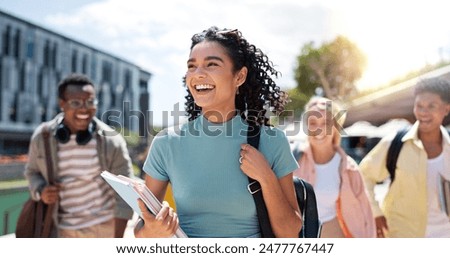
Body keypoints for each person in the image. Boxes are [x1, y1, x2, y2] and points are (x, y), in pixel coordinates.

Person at [135, 26, 302, 238]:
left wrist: (266, 178)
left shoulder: (272, 141)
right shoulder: (167, 143)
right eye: (191, 66)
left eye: (212, 64)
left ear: (239, 77)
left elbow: (289, 233)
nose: (198, 74)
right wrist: (152, 230)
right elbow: (141, 232)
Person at [24, 73, 134, 238]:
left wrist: (116, 242)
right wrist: (41, 190)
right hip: (59, 230)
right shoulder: (42, 137)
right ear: (62, 104)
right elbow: (32, 172)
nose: (84, 108)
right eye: (76, 102)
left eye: (90, 102)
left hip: (103, 230)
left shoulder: (113, 141)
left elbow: (125, 193)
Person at [360, 77, 450, 238]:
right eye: (419, 106)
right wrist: (375, 212)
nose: (423, 112)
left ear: (446, 109)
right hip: (402, 235)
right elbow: (363, 175)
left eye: (431, 106)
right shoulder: (394, 143)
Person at [293, 96, 376, 238]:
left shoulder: (349, 168)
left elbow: (365, 214)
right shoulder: (292, 160)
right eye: (313, 123)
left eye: (326, 123)